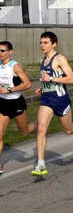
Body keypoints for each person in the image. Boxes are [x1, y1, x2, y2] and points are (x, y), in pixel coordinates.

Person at [32, 32, 73, 176]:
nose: (42, 45)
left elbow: (71, 79)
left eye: (45, 42)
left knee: (68, 129)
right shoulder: (42, 60)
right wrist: (43, 87)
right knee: (41, 129)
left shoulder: (60, 59)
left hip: (61, 100)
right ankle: (40, 164)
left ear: (54, 44)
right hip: (46, 99)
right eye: (40, 42)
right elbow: (47, 80)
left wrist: (51, 79)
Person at [0, 41, 37, 174]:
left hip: (16, 103)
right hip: (2, 103)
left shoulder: (15, 67)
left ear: (10, 52)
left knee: (25, 131)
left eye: (2, 50)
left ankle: (40, 127)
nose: (0, 53)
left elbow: (27, 84)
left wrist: (9, 89)